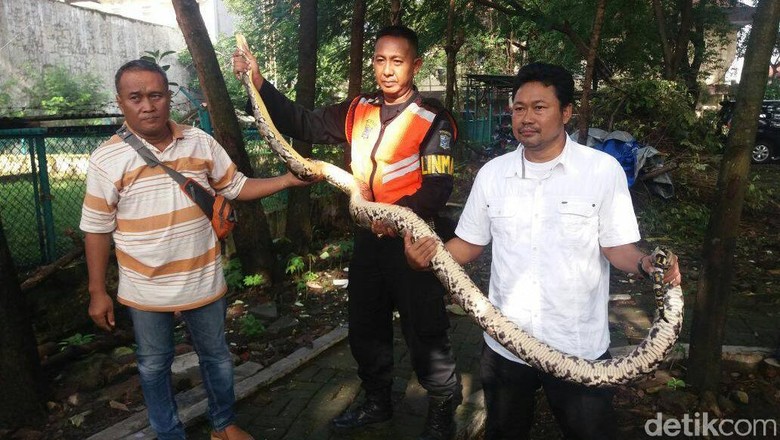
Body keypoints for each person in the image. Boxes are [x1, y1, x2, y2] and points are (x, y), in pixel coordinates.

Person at [404, 62, 682, 440]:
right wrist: (427, 258)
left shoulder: (602, 171)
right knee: (504, 432)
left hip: (578, 347)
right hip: (505, 346)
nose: (526, 117)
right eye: (519, 108)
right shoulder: (493, 174)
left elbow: (617, 248)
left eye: (540, 107)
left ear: (566, 112)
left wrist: (649, 265)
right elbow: (468, 245)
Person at [232, 25, 461, 440]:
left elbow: (437, 188)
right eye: (379, 60)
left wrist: (393, 216)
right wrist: (259, 81)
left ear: (415, 65)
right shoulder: (359, 109)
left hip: (414, 243)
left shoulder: (434, 119)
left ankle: (443, 405)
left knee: (424, 328)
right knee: (365, 323)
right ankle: (377, 399)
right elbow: (302, 121)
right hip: (369, 242)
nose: (387, 70)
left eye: (397, 61)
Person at [81, 59, 312, 440]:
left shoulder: (199, 142)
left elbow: (235, 187)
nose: (147, 105)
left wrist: (287, 179)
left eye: (156, 95)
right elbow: (96, 228)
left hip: (202, 278)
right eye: (135, 97)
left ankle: (224, 425)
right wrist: (96, 291)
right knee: (154, 366)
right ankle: (169, 433)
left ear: (168, 97)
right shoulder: (106, 159)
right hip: (145, 287)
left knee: (217, 357)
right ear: (121, 102)